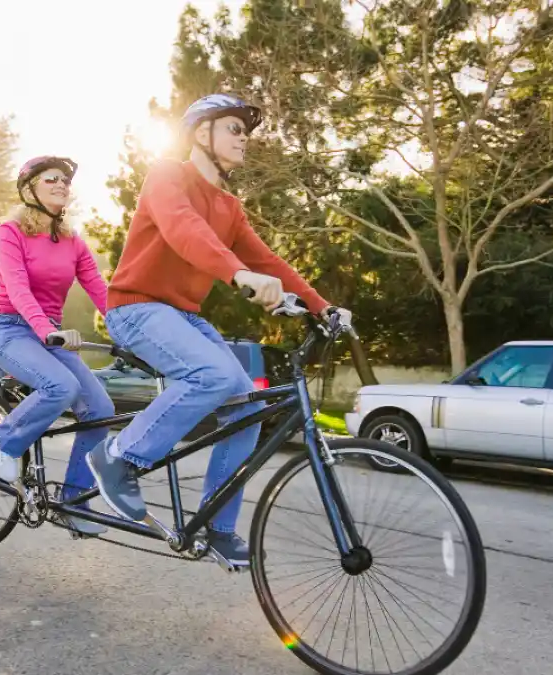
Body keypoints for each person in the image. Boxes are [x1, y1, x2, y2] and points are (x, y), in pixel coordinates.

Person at [85, 94, 353, 563]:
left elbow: (267, 260)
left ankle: (216, 526)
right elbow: (184, 228)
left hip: (182, 315)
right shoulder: (168, 174)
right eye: (233, 127)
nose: (243, 137)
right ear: (200, 132)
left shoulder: (229, 207)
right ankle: (120, 456)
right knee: (210, 375)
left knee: (244, 403)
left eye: (245, 132)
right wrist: (238, 274)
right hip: (135, 307)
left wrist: (322, 306)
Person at [0, 155, 113, 536]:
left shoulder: (73, 242)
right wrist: (45, 328)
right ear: (30, 189)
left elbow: (101, 293)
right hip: (8, 328)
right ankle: (1, 440)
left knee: (100, 408)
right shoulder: (10, 231)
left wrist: (133, 333)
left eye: (66, 181)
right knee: (61, 386)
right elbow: (17, 289)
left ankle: (74, 500)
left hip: (47, 334)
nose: (61, 185)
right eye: (51, 179)